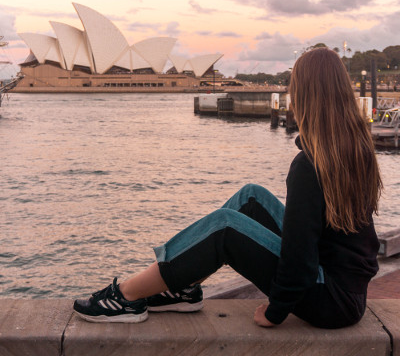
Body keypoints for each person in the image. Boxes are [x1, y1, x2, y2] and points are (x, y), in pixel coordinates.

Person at [74, 47, 382, 329]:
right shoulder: (355, 149)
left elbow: (299, 257)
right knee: (251, 197)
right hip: (346, 292)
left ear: (302, 95)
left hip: (328, 298)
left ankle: (124, 296)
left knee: (224, 227)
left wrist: (276, 311)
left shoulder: (310, 165)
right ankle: (184, 288)